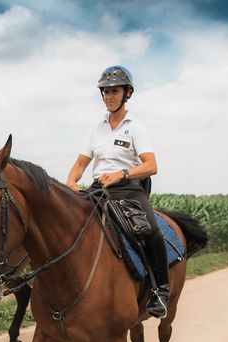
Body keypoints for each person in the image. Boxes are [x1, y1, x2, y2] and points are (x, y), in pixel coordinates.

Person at [65, 65, 169, 319]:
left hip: (129, 190)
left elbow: (151, 165)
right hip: (99, 189)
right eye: (105, 91)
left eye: (114, 91)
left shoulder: (135, 127)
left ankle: (161, 290)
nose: (109, 96)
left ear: (127, 93)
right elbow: (81, 164)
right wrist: (71, 180)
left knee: (151, 231)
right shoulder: (96, 127)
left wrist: (122, 174)